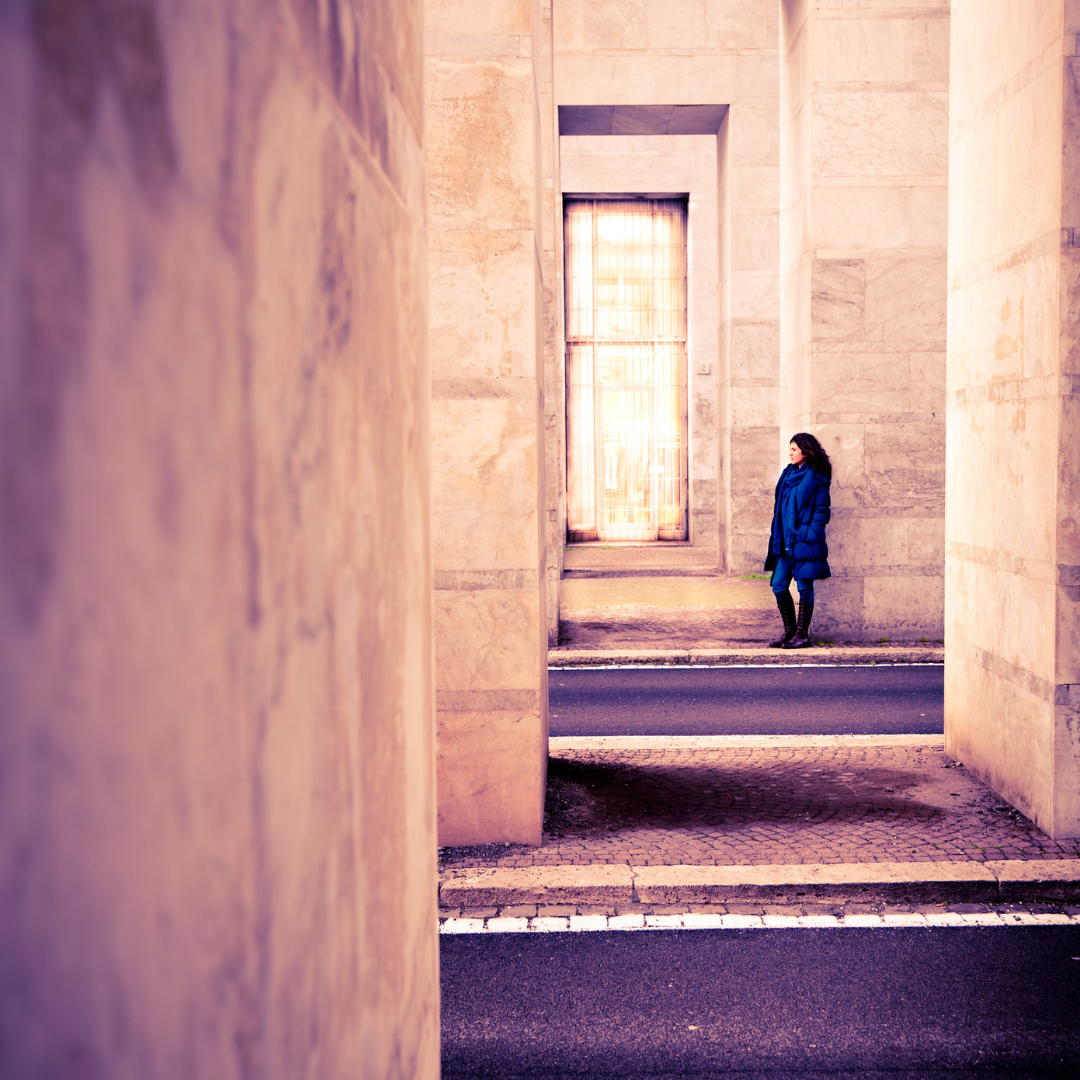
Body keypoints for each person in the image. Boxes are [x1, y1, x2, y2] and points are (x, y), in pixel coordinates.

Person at [764, 433, 832, 649]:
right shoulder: (788, 474)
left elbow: (821, 511)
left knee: (804, 586)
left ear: (806, 450)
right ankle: (790, 633)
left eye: (794, 448)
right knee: (778, 585)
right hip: (784, 542)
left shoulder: (817, 477)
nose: (790, 452)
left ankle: (802, 635)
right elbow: (779, 508)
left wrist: (808, 535)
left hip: (803, 541)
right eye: (790, 448)